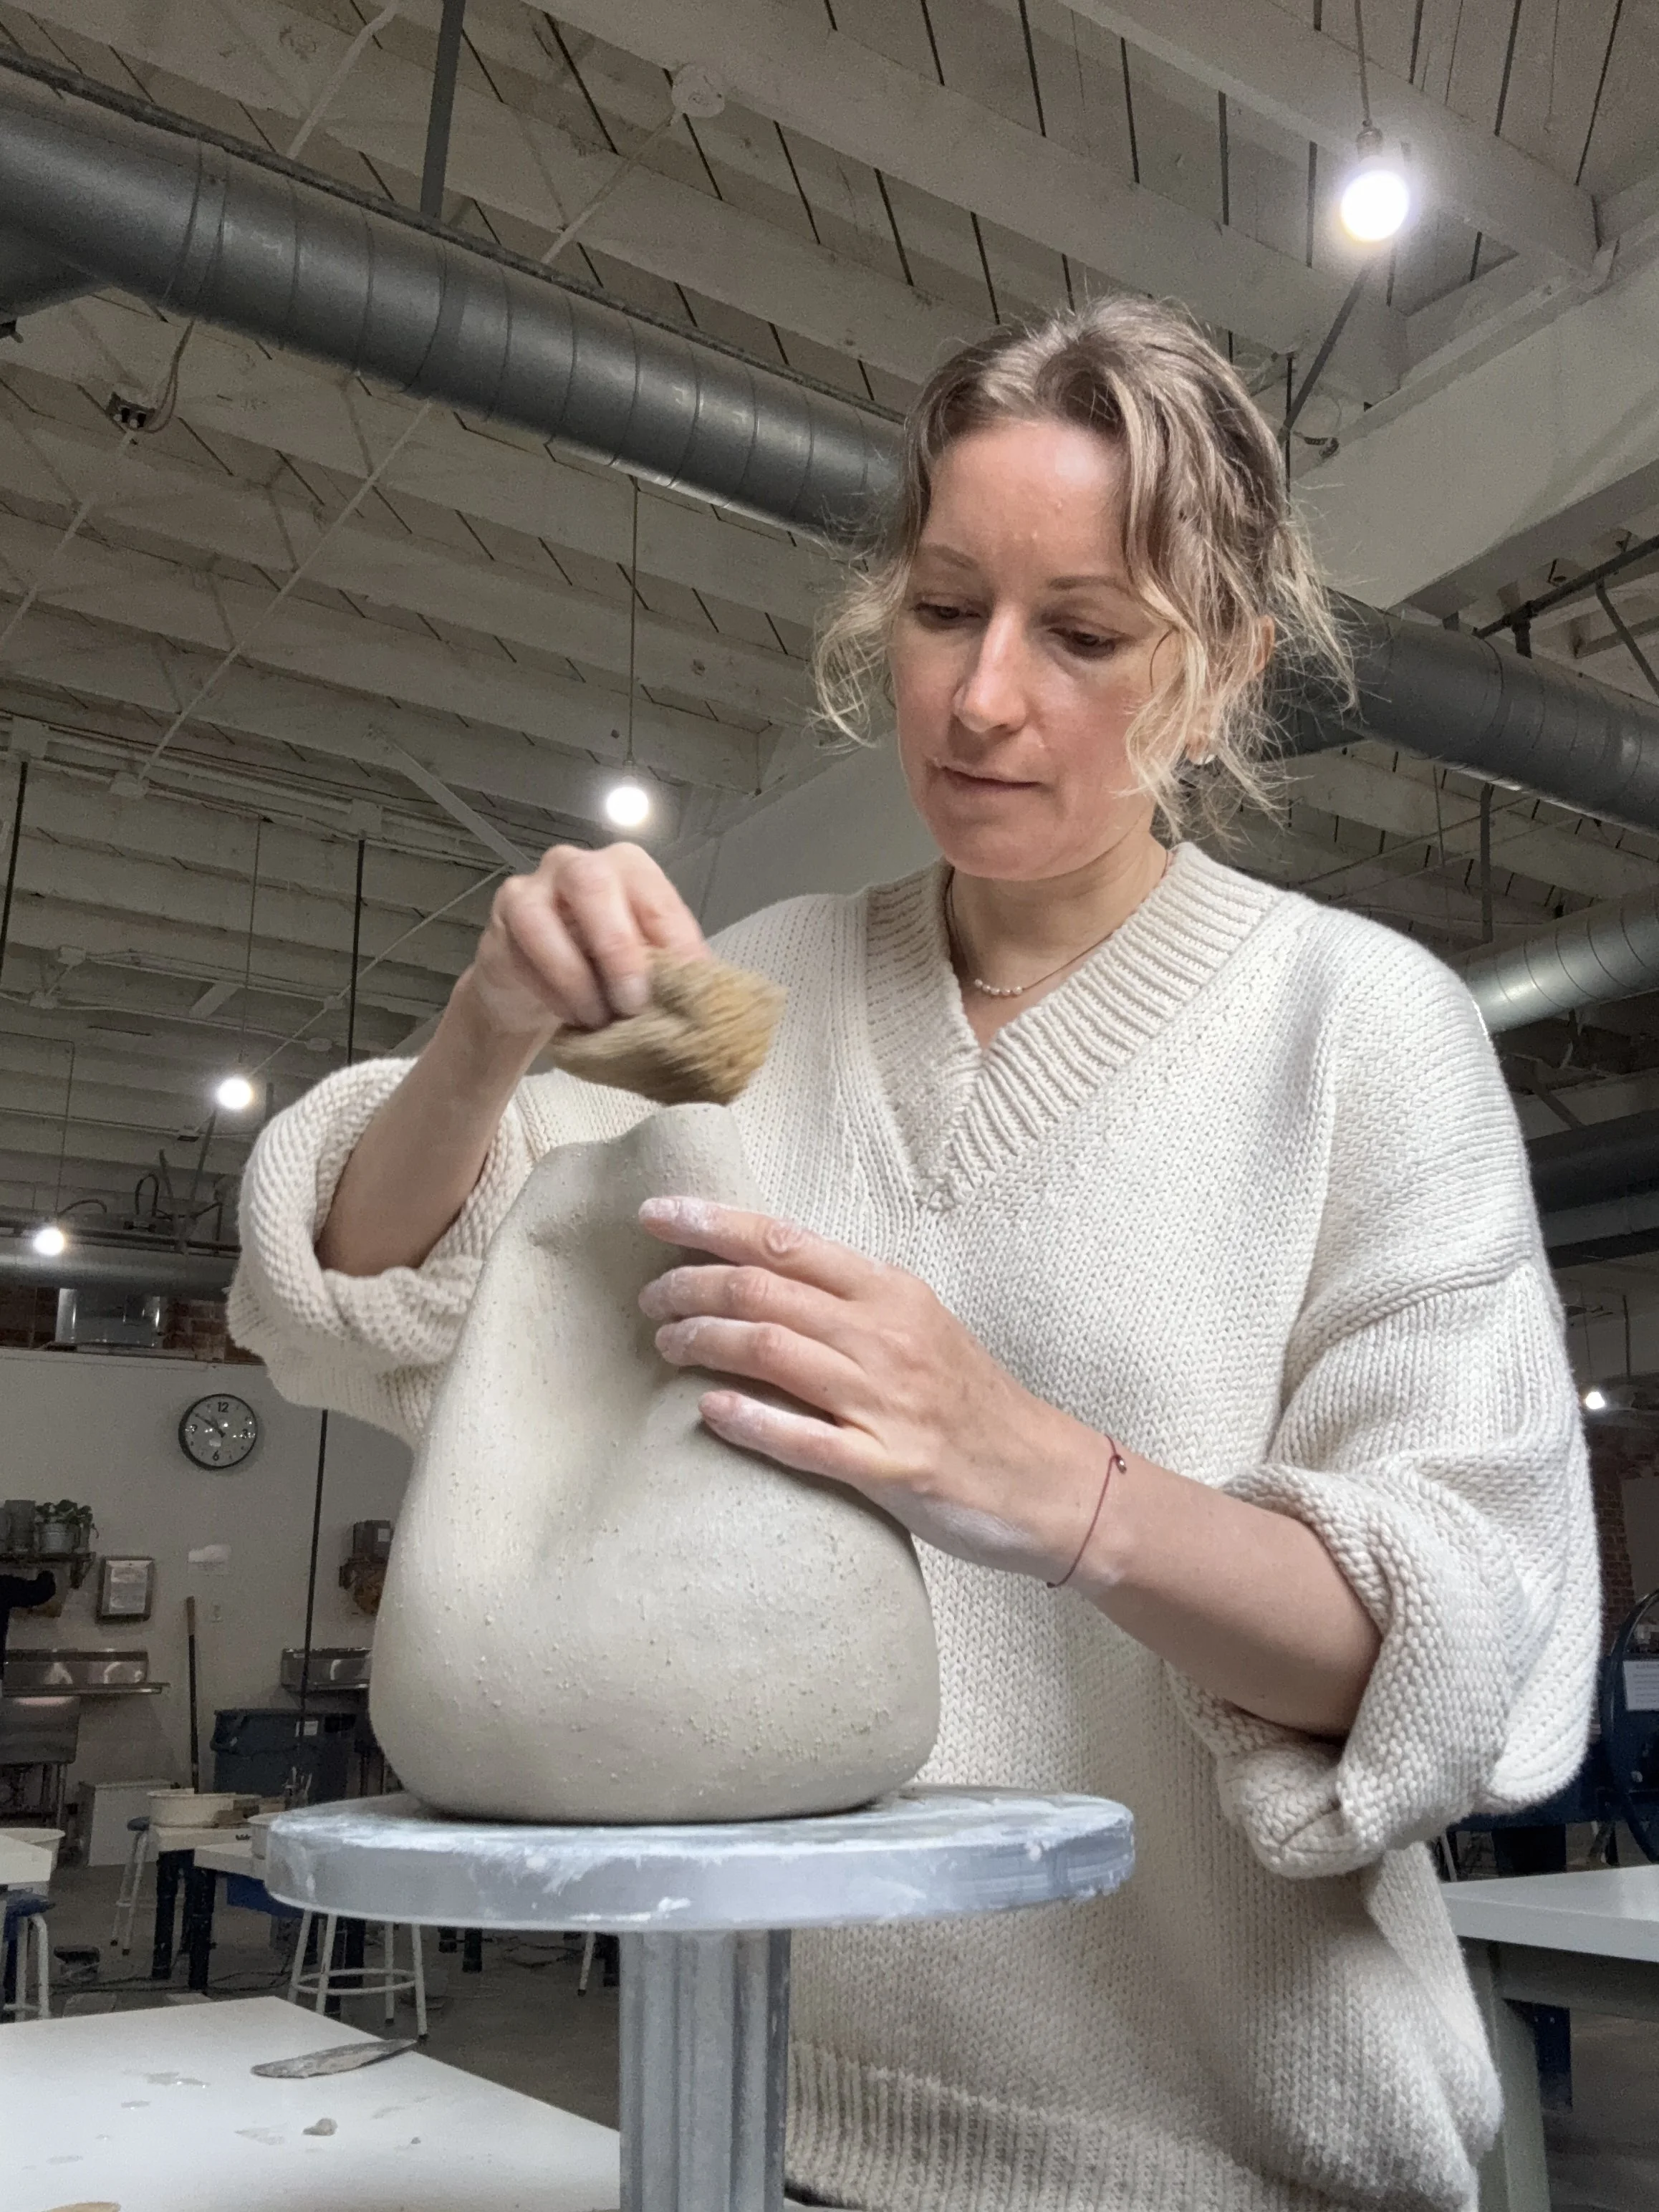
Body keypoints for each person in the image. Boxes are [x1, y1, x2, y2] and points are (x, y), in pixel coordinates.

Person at [231, 298, 1597, 2211]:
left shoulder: (1353, 1032)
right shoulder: (758, 998)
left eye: (1085, 633)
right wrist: (485, 1034)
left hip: (1241, 2156)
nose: (977, 697)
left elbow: (1465, 1648)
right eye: (947, 608)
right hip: (768, 2135)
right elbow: (370, 1310)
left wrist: (1032, 1472)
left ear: (1220, 675)